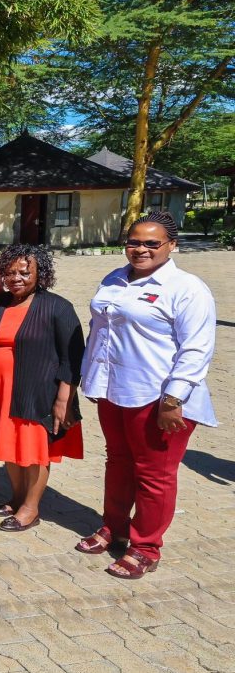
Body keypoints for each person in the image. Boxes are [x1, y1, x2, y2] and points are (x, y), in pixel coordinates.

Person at [77, 211, 217, 579]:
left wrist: (174, 400)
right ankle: (115, 526)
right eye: (134, 241)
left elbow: (196, 349)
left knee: (154, 475)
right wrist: (94, 379)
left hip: (159, 399)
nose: (141, 249)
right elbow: (100, 332)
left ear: (172, 245)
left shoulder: (187, 288)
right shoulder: (114, 279)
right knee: (118, 462)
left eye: (152, 243)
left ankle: (145, 546)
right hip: (115, 391)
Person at [0, 244, 84, 533]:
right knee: (10, 450)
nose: (16, 278)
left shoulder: (57, 307)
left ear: (40, 274)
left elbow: (73, 357)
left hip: (38, 393)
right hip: (2, 391)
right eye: (9, 272)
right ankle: (17, 499)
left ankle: (30, 509)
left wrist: (63, 400)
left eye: (24, 272)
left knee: (33, 452)